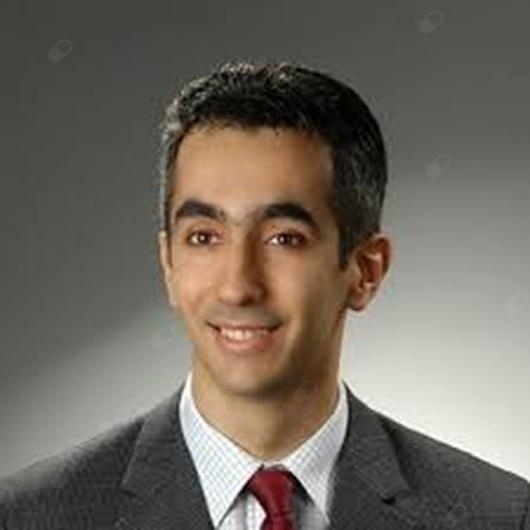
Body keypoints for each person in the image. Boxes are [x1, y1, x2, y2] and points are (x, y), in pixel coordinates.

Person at [0, 59, 528, 530]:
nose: (238, 286)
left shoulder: (497, 516)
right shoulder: (32, 517)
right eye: (203, 237)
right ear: (168, 263)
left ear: (365, 271)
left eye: (284, 238)